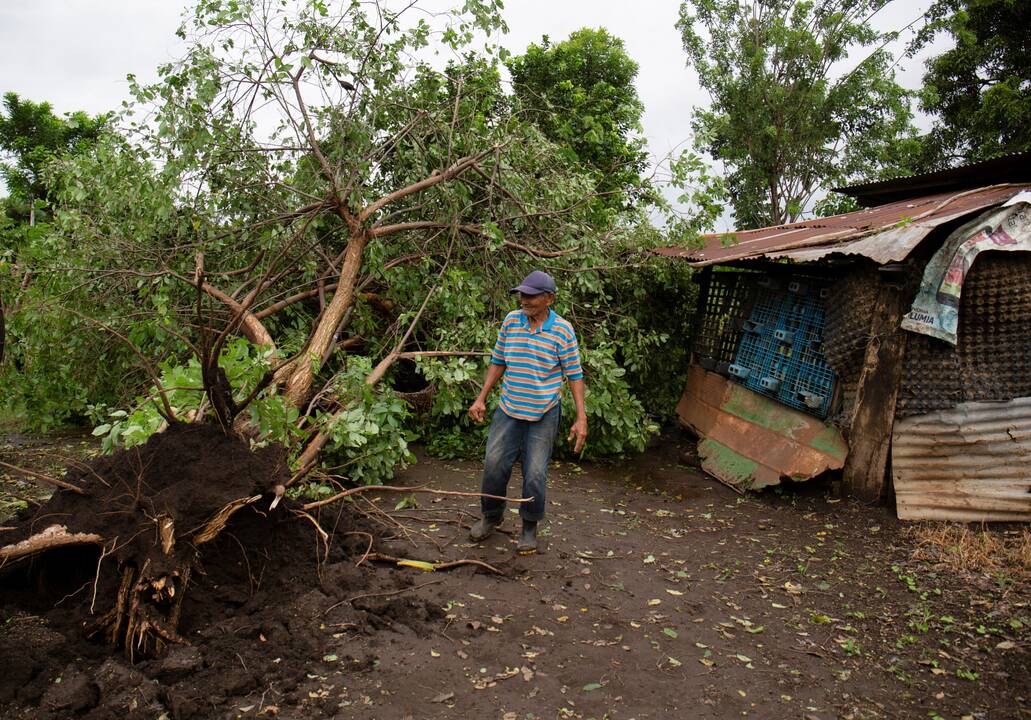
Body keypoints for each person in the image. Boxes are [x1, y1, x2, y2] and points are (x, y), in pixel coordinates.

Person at [467, 270, 588, 554]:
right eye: (522, 294)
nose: (524, 300)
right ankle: (491, 516)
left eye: (531, 295)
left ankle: (529, 527)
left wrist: (581, 418)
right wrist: (481, 398)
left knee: (534, 473)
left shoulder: (562, 330)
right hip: (509, 408)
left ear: (549, 299)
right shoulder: (511, 321)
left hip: (544, 412)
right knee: (494, 464)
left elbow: (574, 375)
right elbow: (498, 361)